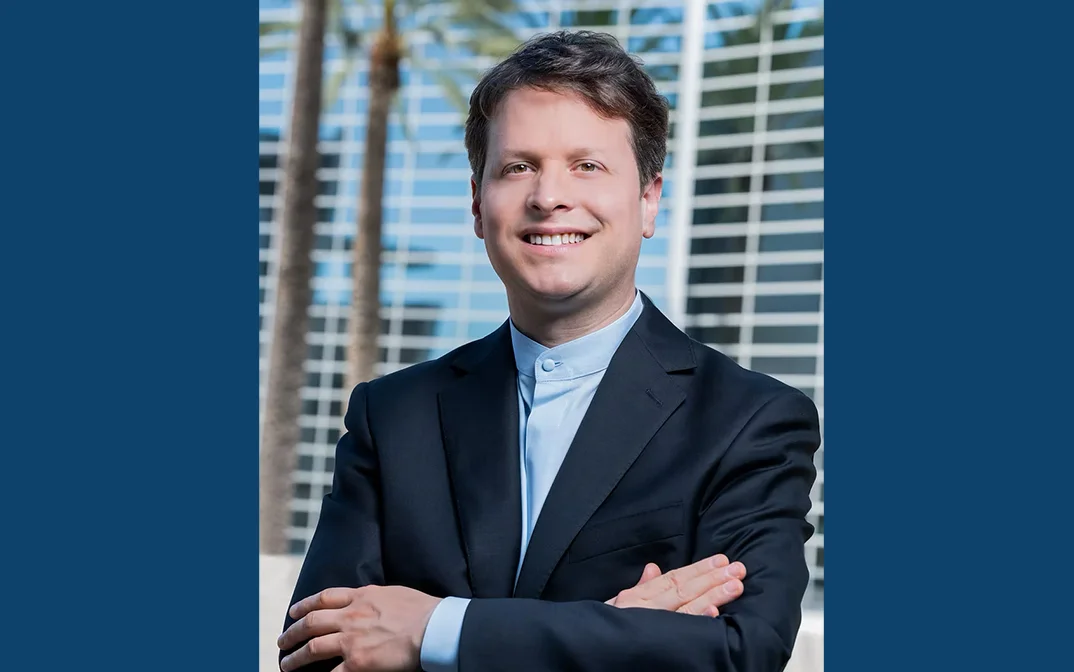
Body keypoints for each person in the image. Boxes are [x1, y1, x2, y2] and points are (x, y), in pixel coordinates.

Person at [277, 30, 820, 672]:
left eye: (586, 165)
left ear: (648, 198)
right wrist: (618, 633)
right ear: (479, 204)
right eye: (518, 166)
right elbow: (315, 654)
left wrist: (437, 630)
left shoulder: (748, 423)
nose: (547, 196)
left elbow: (739, 653)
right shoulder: (391, 417)